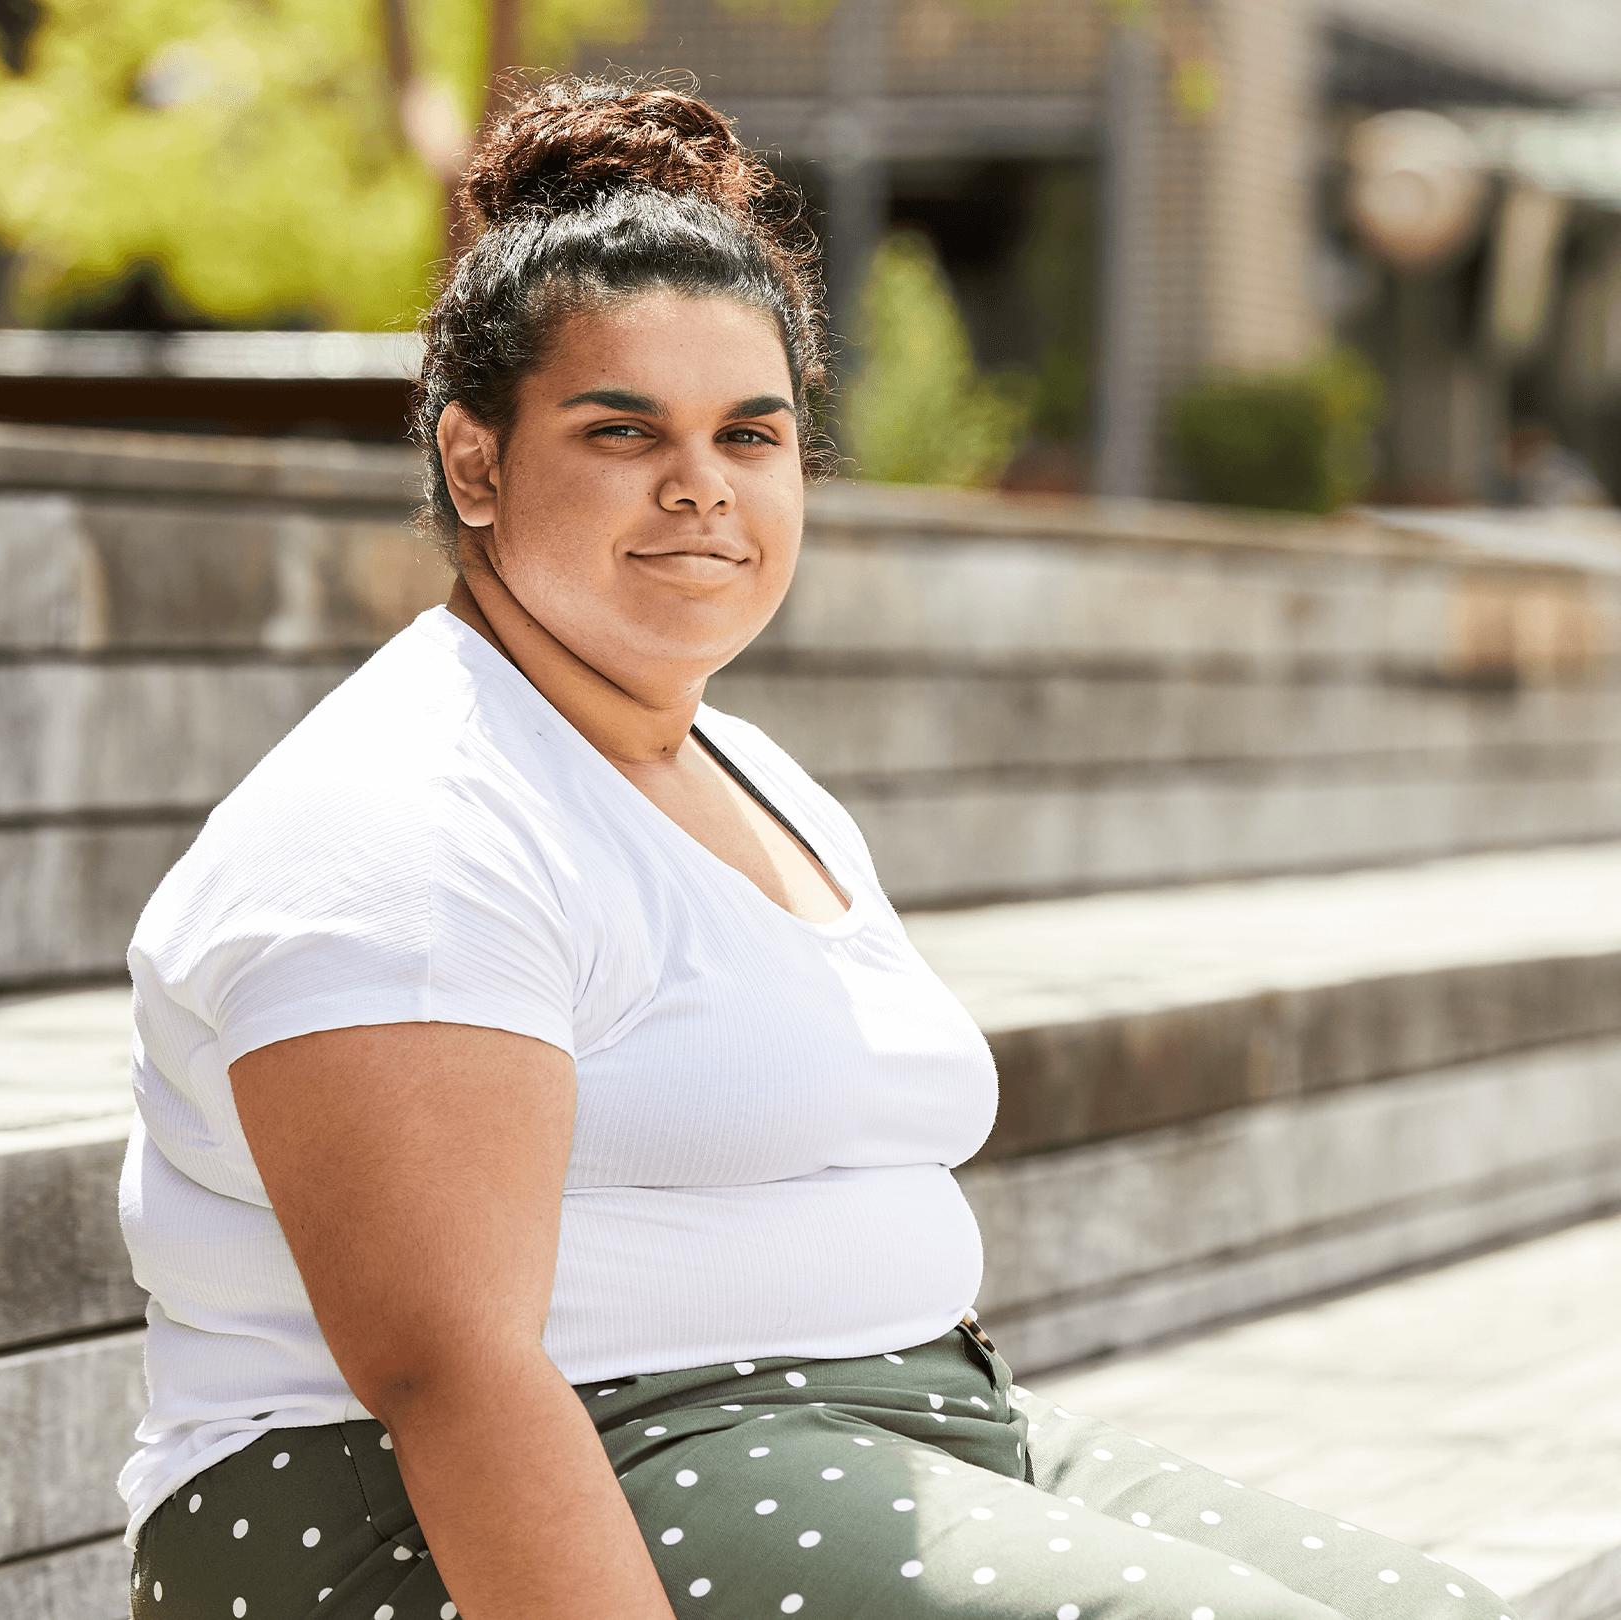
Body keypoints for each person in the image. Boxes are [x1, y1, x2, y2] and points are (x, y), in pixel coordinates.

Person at [120, 77, 1518, 1620]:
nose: (701, 484)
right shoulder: (407, 824)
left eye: (751, 433)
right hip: (469, 1492)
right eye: (621, 429)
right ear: (476, 463)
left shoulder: (746, 770)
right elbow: (446, 1374)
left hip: (909, 1427)